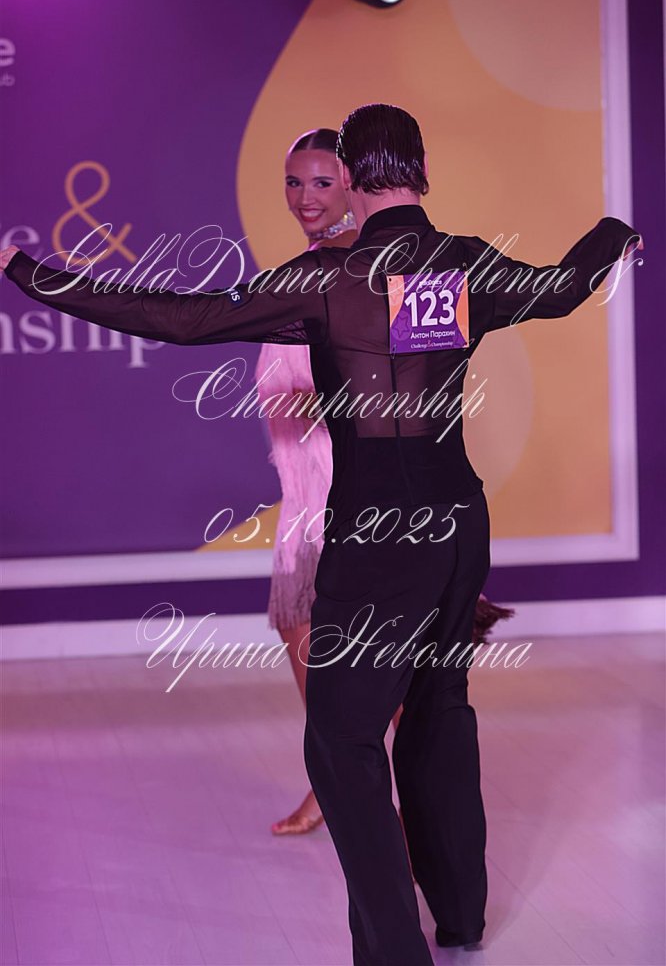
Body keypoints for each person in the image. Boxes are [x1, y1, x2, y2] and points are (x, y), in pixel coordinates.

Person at [1, 103, 642, 966]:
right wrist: (614, 233)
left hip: (379, 534)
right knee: (441, 710)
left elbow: (177, 317)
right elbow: (564, 287)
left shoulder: (325, 281)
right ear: (423, 171)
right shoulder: (462, 263)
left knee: (341, 740)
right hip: (459, 521)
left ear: (350, 178)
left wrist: (26, 271)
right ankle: (460, 918)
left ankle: (395, 952)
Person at [260, 127, 513, 837]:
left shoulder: (359, 274)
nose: (305, 197)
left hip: (353, 496)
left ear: (352, 183)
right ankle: (345, 787)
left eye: (321, 181)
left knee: (372, 669)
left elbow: (406, 390)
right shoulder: (311, 271)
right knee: (310, 640)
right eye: (293, 182)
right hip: (307, 491)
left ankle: (391, 809)